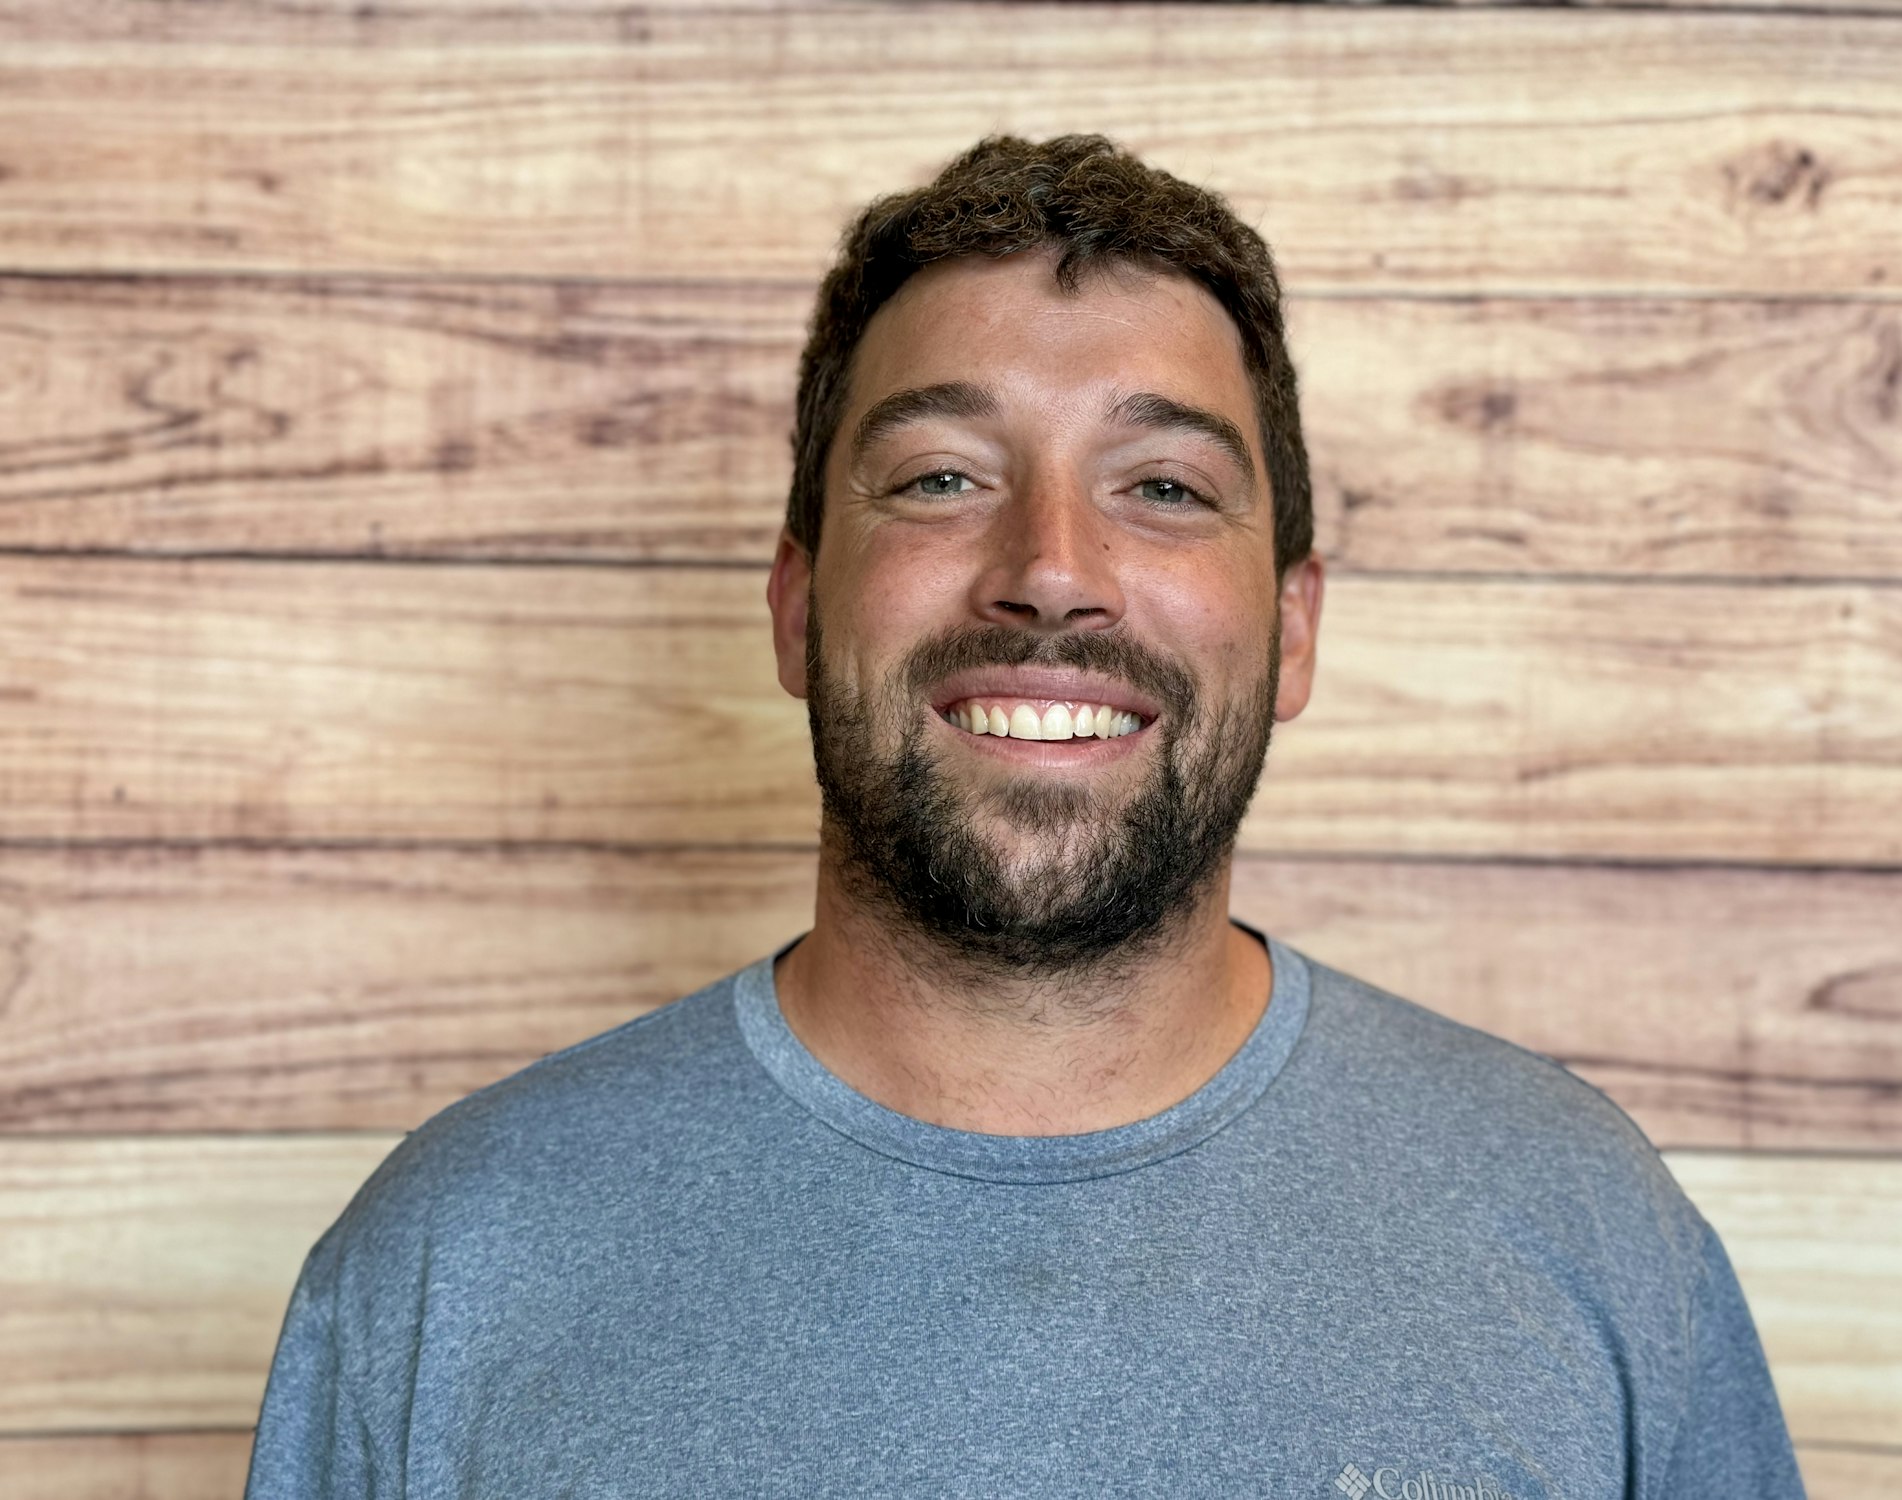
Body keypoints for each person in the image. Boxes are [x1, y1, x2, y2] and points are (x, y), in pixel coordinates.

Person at [245, 135, 1807, 1499]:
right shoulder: (450, 1271)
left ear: (1296, 627)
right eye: (936, 477)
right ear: (797, 610)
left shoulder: (1582, 1231)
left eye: (1166, 489)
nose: (1050, 565)